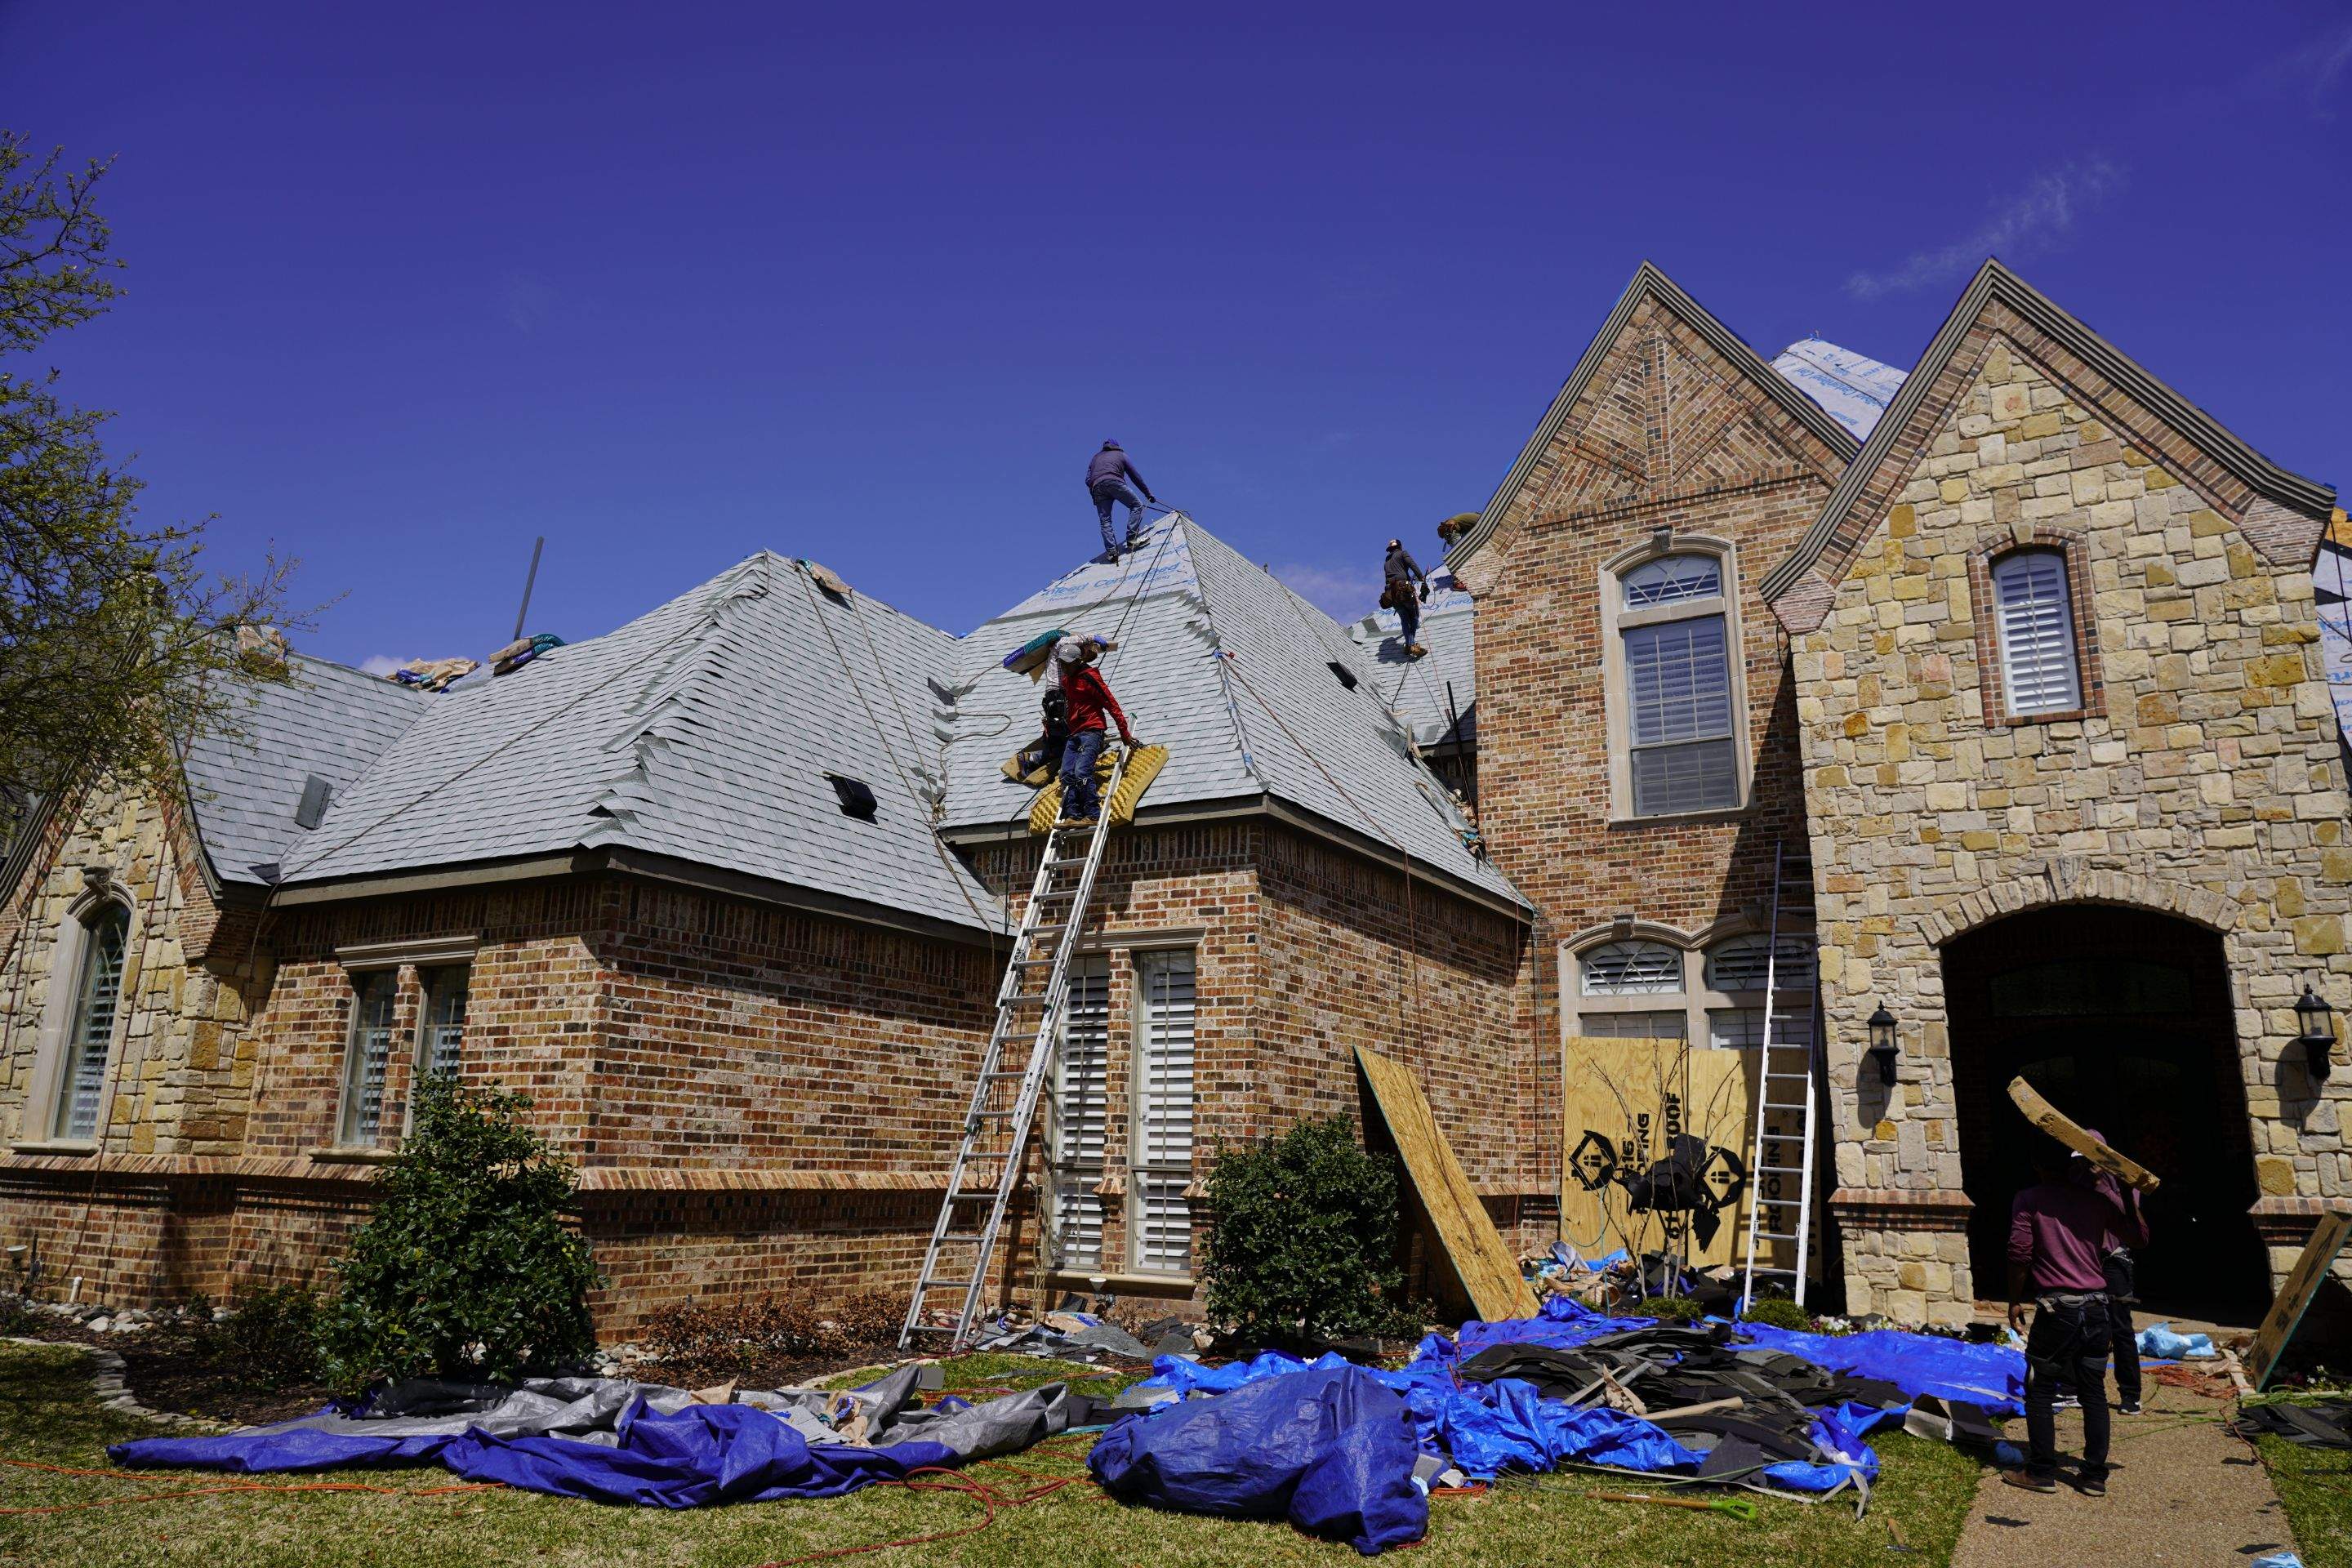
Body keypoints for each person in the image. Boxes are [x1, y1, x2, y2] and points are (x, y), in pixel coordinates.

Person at [2005, 1133, 2149, 1497]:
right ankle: (2094, 1476)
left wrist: (2014, 1300)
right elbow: (2139, 1238)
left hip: (2058, 1311)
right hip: (2097, 1308)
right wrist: (2128, 1195)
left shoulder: (2029, 1199)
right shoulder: (2096, 1200)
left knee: (2040, 1390)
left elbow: (2020, 1255)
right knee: (2093, 1391)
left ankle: (2040, 1471)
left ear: (2037, 1165)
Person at [1054, 635, 1135, 826]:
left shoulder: (1089, 678)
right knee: (1066, 773)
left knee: (1082, 772)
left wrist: (1124, 732)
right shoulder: (1067, 680)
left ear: (1077, 661)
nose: (1064, 667)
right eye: (1062, 664)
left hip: (1091, 731)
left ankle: (1093, 814)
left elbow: (1111, 704)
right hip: (1075, 734)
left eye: (1067, 664)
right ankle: (1073, 815)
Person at [1086, 441, 1157, 561]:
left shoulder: (1095, 458)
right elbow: (1135, 476)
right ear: (1117, 447)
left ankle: (1112, 553)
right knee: (1137, 505)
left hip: (1097, 488)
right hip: (1114, 483)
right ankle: (1132, 539)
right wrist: (1148, 493)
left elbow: (1088, 479)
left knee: (1105, 521)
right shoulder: (1121, 455)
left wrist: (1096, 487)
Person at [1383, 539, 1429, 658]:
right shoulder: (1402, 553)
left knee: (1404, 618)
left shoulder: (1387, 560)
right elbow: (1412, 565)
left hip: (1391, 593)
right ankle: (1411, 644)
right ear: (1400, 547)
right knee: (1414, 616)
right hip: (1403, 589)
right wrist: (1421, 578)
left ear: (1390, 549)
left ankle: (1409, 645)